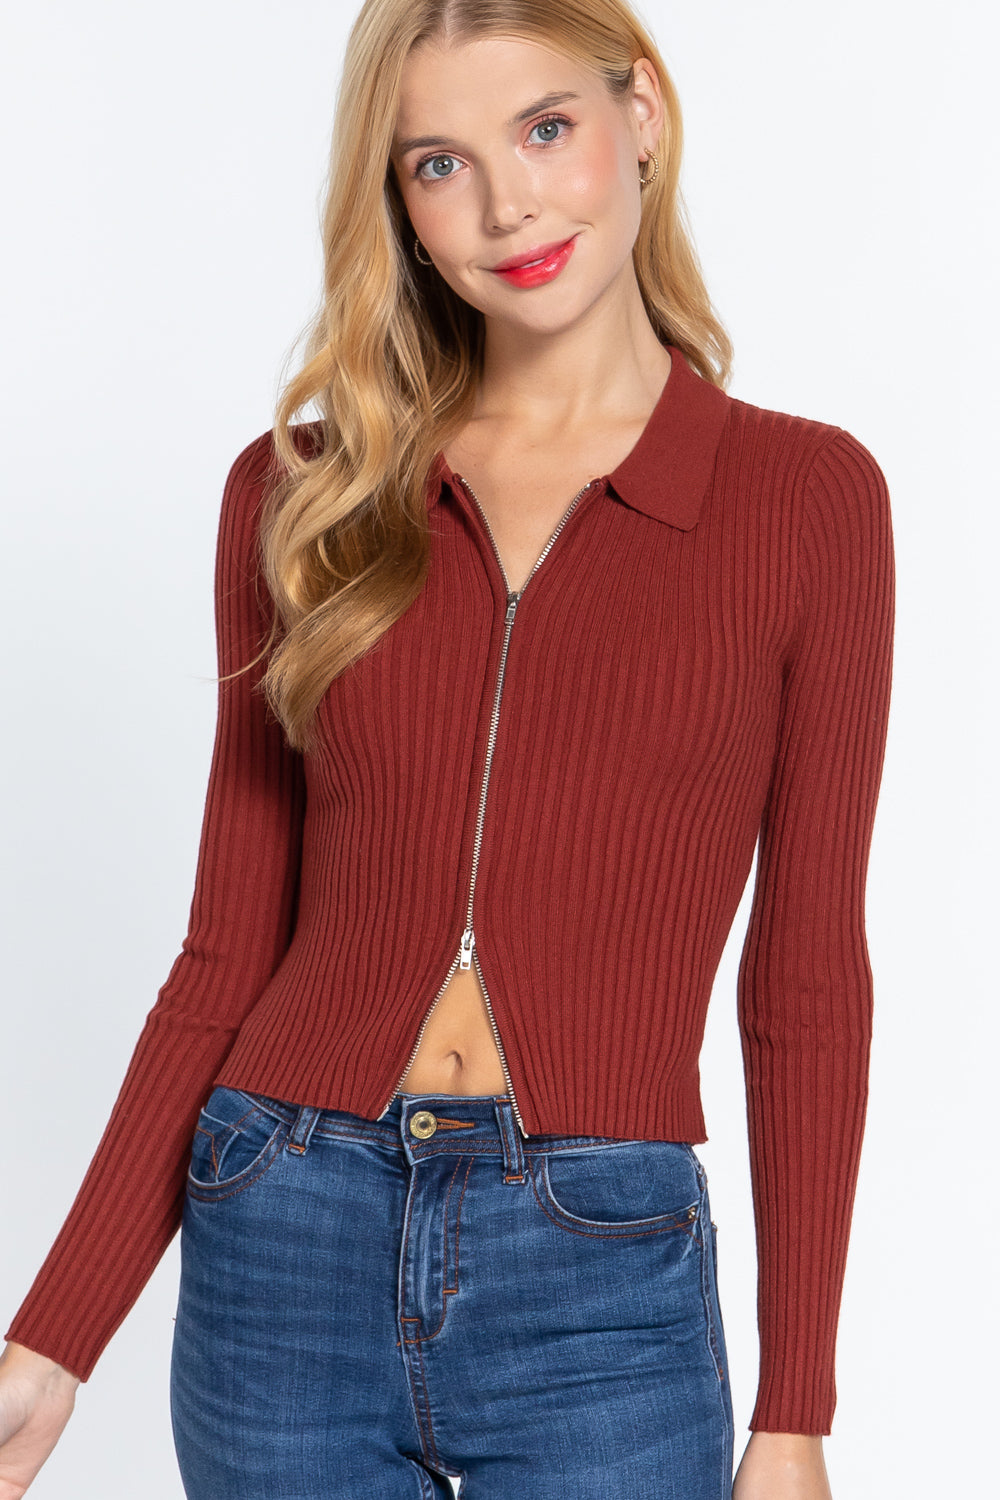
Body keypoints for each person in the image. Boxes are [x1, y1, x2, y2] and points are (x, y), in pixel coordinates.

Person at [0, 1, 895, 1496]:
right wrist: (53, 1341)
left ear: (642, 115)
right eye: (439, 163)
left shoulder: (804, 500)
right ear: (397, 200)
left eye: (545, 129)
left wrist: (795, 1407)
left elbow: (806, 975)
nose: (506, 207)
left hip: (600, 1266)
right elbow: (225, 952)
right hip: (282, 1228)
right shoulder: (304, 493)